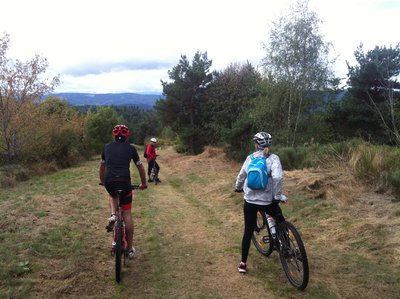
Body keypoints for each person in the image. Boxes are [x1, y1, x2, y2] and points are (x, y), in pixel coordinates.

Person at [234, 132, 288, 273]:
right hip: (267, 201)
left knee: (248, 231)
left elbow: (241, 176)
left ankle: (243, 264)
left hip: (250, 201)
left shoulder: (250, 158)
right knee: (281, 221)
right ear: (269, 144)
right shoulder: (273, 159)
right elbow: (277, 178)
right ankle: (287, 248)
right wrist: (277, 196)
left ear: (256, 144)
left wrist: (238, 188)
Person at [99, 124, 147, 259]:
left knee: (112, 194)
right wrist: (143, 183)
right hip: (125, 182)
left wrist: (103, 181)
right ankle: (130, 249)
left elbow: (102, 167)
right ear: (127, 136)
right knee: (127, 214)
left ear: (114, 136)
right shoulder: (131, 148)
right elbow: (140, 168)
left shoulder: (106, 147)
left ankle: (113, 214)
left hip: (110, 181)